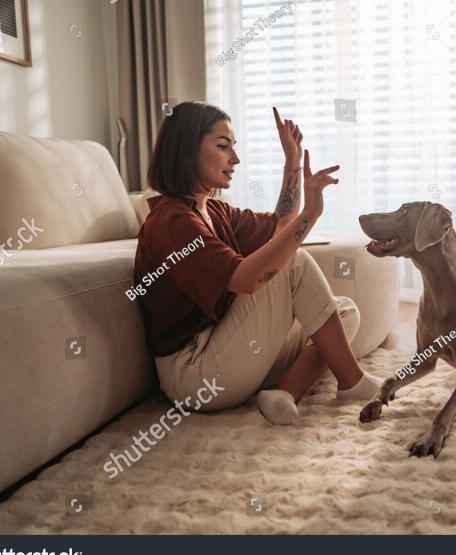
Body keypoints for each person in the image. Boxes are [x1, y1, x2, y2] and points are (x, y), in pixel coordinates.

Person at [134, 102, 384, 425]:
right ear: (185, 151)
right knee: (292, 262)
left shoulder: (213, 209)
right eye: (223, 147)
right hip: (194, 374)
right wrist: (310, 215)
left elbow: (281, 224)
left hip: (225, 349)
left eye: (233, 147)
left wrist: (292, 165)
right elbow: (247, 280)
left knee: (343, 311)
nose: (234, 159)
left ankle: (283, 393)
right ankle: (352, 381)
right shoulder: (172, 222)